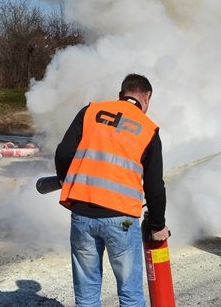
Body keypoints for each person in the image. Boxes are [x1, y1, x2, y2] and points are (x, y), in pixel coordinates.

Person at [55, 73, 169, 307]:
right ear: (147, 97)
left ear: (121, 95)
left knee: (86, 296)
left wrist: (67, 180)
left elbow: (64, 153)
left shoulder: (90, 111)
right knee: (130, 295)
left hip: (82, 215)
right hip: (122, 220)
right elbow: (155, 187)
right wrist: (158, 225)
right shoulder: (148, 129)